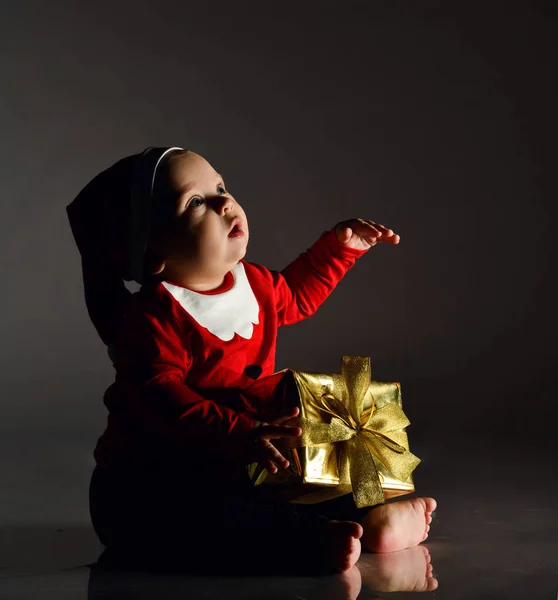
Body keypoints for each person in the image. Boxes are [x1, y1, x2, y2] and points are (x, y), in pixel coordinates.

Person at [67, 147, 436, 576]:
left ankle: (374, 516)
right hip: (157, 474)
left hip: (244, 452)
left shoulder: (254, 282)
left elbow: (296, 296)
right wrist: (237, 431)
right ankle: (306, 541)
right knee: (207, 521)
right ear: (152, 254)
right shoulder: (154, 316)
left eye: (220, 188)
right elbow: (159, 395)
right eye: (195, 202)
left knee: (301, 480)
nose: (224, 202)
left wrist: (337, 250)